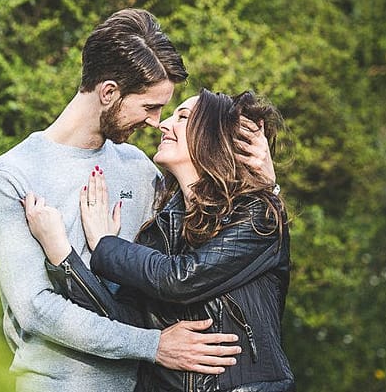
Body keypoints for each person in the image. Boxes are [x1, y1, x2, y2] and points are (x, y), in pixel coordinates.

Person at [0, 9, 274, 392]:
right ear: (109, 93)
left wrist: (266, 187)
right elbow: (37, 310)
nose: (156, 122)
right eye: (150, 107)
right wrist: (153, 346)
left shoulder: (140, 168)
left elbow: (207, 246)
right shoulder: (13, 175)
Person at [26, 90, 294, 391]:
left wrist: (104, 243)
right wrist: (63, 256)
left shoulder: (260, 216)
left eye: (182, 117)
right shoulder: (159, 229)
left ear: (212, 136)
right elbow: (120, 320)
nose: (164, 123)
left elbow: (179, 278)